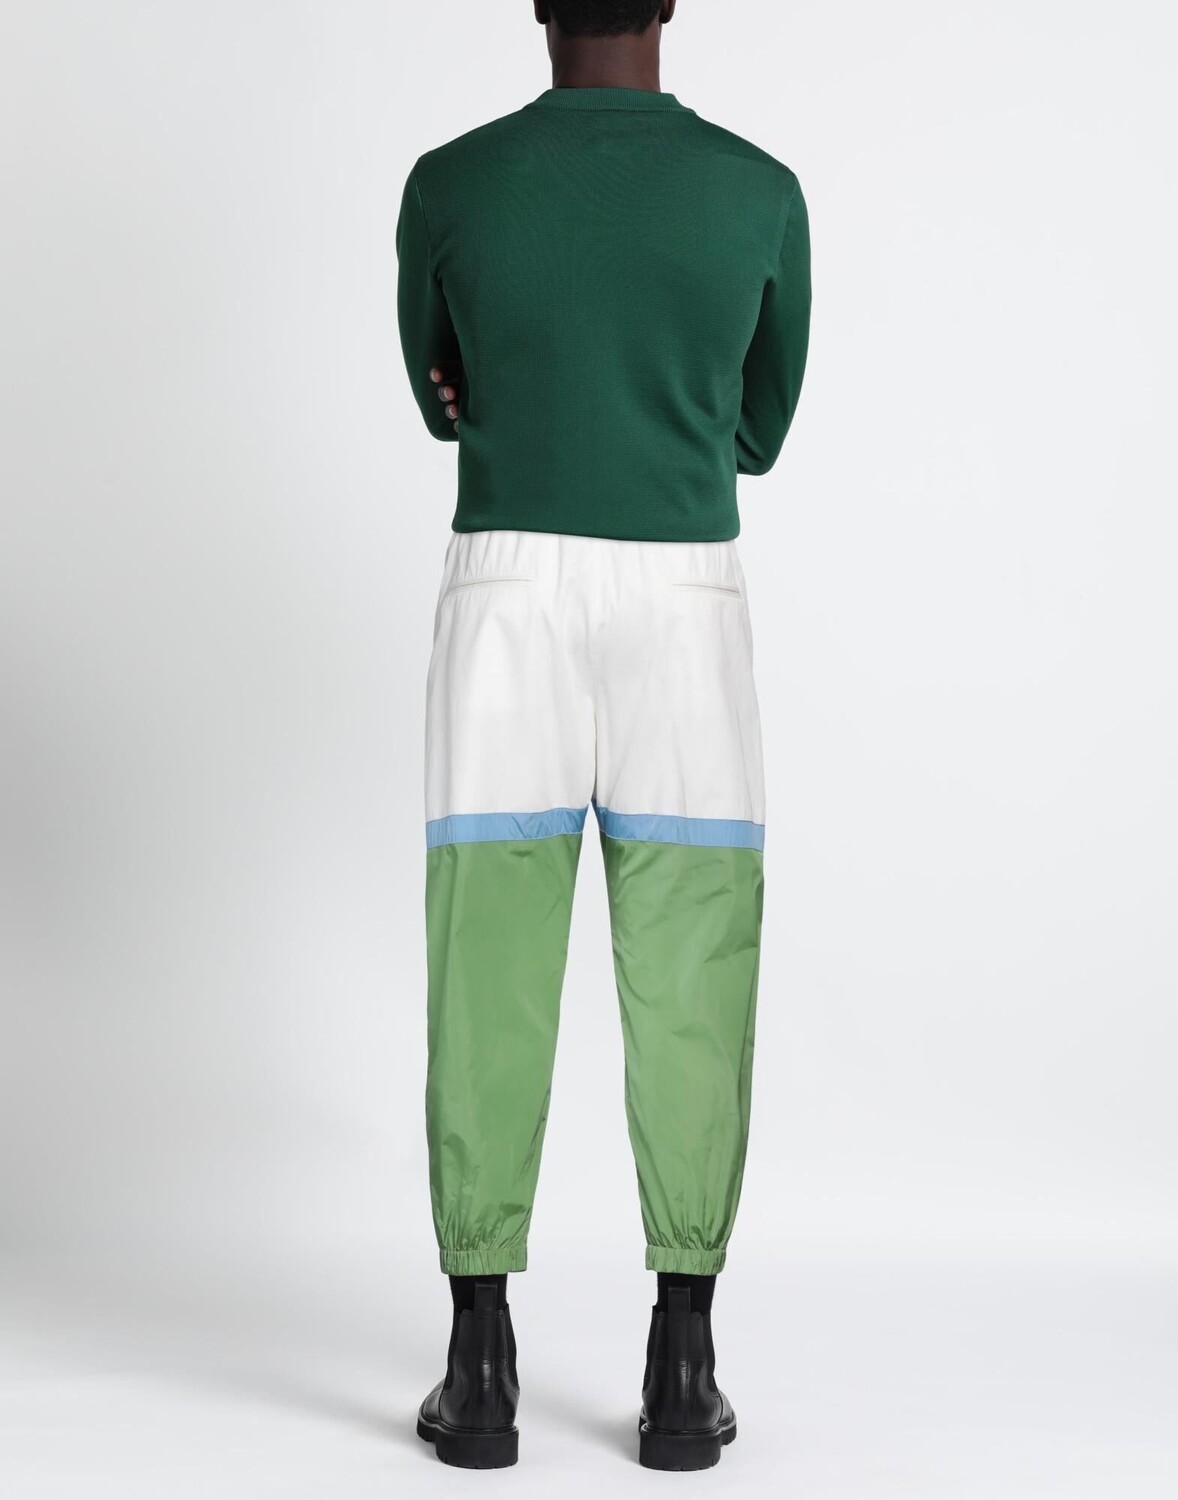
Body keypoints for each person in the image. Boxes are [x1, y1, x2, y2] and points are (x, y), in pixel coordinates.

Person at [396, 0, 810, 1471]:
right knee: (693, 962)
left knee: (487, 962)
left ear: (536, 4)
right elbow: (756, 431)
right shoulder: (758, 192)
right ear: (671, 4)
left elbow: (442, 393)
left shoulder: (449, 184)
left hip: (506, 585)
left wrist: (511, 387)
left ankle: (479, 1361)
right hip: (683, 590)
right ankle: (683, 1363)